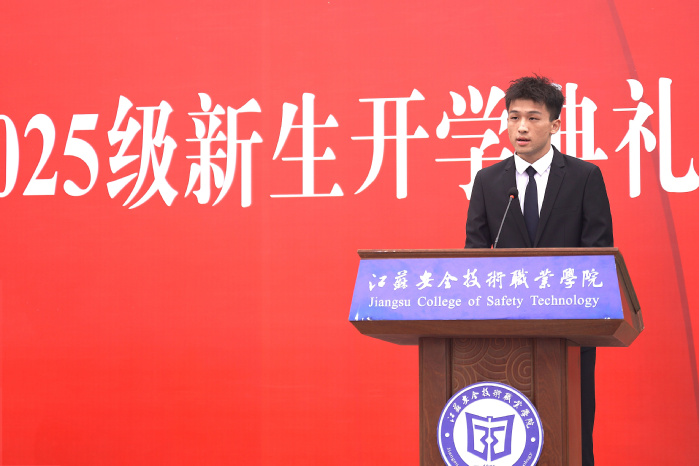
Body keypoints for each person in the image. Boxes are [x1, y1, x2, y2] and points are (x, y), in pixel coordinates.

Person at [465, 75, 613, 466]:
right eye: (514, 117)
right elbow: (474, 256)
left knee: (571, 430)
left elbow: (597, 257)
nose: (522, 127)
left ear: (555, 124)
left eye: (533, 118)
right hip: (504, 331)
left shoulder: (584, 177)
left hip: (568, 330)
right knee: (512, 434)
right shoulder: (488, 181)